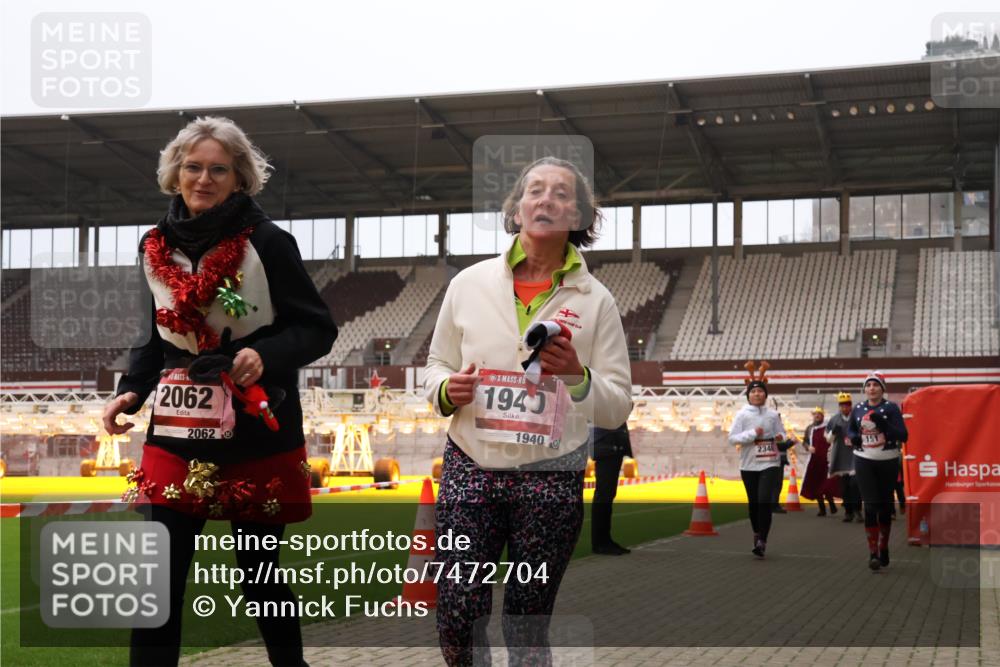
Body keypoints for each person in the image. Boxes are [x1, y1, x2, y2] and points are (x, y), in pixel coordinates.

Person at [102, 116, 337, 667]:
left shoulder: (270, 241)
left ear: (239, 179)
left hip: (256, 427)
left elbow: (316, 327)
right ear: (174, 174)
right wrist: (130, 392)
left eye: (218, 170)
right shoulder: (153, 244)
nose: (203, 179)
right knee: (157, 579)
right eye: (193, 167)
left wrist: (266, 355)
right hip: (177, 429)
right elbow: (152, 334)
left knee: (259, 578)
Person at [423, 156, 633, 666]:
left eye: (562, 193)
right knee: (456, 607)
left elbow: (618, 403)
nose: (546, 200)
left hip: (551, 474)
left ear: (579, 217)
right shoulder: (467, 284)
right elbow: (434, 367)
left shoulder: (596, 301)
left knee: (528, 616)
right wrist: (448, 389)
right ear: (515, 210)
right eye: (535, 190)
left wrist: (578, 378)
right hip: (471, 464)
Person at [847, 371, 908, 571]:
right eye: (868, 385)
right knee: (871, 506)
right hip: (864, 459)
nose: (871, 388)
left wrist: (883, 423)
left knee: (884, 506)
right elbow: (851, 430)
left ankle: (884, 547)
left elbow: (903, 435)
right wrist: (854, 437)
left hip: (888, 460)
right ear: (864, 389)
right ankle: (872, 552)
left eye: (875, 385)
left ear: (882, 388)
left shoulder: (891, 408)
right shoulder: (857, 408)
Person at [729, 361, 786, 559]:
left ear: (765, 395)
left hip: (770, 462)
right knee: (753, 503)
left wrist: (780, 438)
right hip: (748, 464)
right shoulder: (742, 415)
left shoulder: (773, 415)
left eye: (760, 391)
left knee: (764, 501)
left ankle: (762, 540)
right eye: (753, 392)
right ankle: (756, 532)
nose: (757, 394)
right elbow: (732, 438)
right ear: (748, 395)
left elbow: (782, 433)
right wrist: (752, 434)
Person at [590, 423, 632, 555]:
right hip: (606, 448)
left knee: (607, 495)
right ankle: (601, 543)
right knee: (604, 495)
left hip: (610, 448)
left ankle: (604, 540)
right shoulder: (604, 407)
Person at [825, 392, 862, 522]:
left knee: (855, 484)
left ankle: (858, 510)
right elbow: (828, 439)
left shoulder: (857, 418)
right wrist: (833, 432)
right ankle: (848, 511)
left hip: (855, 454)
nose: (844, 408)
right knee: (845, 486)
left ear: (850, 406)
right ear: (839, 406)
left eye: (847, 405)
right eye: (842, 405)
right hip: (841, 455)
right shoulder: (834, 419)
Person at [799, 407, 840, 516]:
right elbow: (804, 442)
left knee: (827, 484)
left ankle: (831, 504)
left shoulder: (828, 427)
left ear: (822, 415)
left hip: (827, 459)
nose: (817, 416)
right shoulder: (809, 428)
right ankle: (822, 508)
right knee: (816, 484)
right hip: (814, 460)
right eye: (815, 414)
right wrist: (808, 447)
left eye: (819, 414)